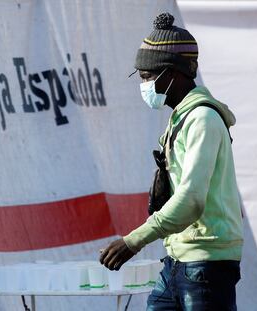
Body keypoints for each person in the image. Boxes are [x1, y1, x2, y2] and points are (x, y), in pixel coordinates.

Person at [99, 12, 244, 310]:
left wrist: (133, 241)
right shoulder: (181, 117)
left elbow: (191, 200)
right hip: (178, 261)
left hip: (205, 266)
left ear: (173, 74)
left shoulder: (202, 119)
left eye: (147, 77)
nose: (144, 84)